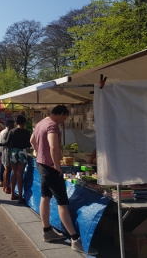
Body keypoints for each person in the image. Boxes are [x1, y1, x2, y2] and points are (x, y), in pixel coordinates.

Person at [30, 105, 98, 255]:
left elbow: (32, 140)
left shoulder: (41, 122)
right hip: (51, 168)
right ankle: (75, 239)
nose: (64, 121)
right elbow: (54, 147)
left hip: (41, 164)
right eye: (64, 117)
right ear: (61, 114)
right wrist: (57, 166)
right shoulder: (52, 125)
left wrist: (39, 152)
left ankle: (47, 230)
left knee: (45, 197)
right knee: (62, 202)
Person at [0, 115, 31, 204]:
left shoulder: (12, 131)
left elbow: (6, 143)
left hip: (13, 152)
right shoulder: (26, 132)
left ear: (16, 122)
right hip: (22, 152)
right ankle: (19, 196)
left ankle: (12, 194)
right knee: (20, 174)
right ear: (24, 123)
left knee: (14, 173)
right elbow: (28, 145)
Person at [0, 119, 15, 193]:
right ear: (7, 125)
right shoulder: (6, 132)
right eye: (11, 125)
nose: (13, 127)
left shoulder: (7, 131)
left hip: (4, 151)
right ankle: (5, 185)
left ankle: (4, 185)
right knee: (6, 169)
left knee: (5, 169)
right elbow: (6, 143)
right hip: (5, 152)